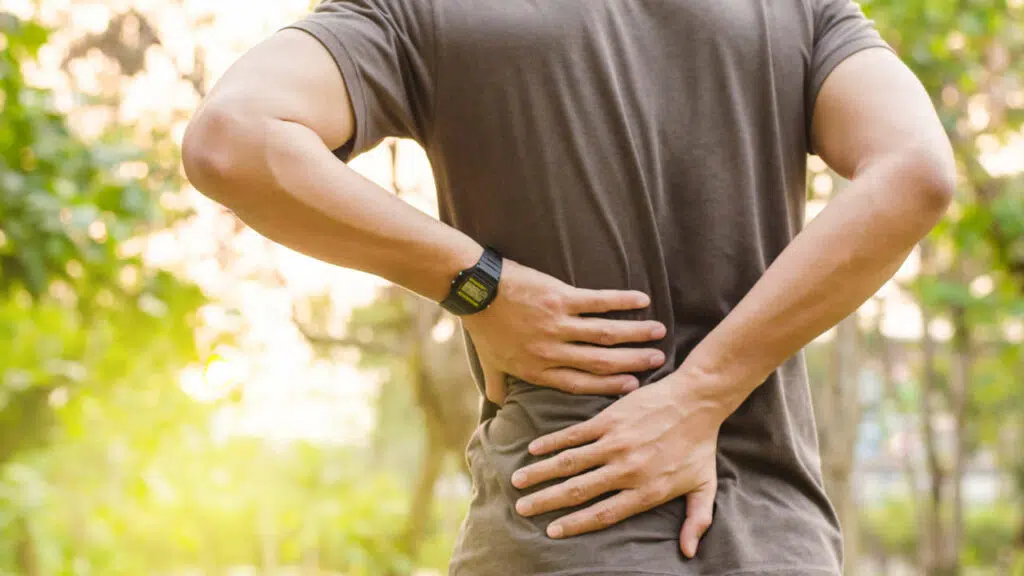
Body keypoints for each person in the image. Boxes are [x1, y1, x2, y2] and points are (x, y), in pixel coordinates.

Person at [180, 0, 955, 573]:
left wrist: (477, 285)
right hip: (776, 543)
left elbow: (233, 137)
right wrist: (705, 392)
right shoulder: (797, 9)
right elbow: (915, 169)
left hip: (559, 530)